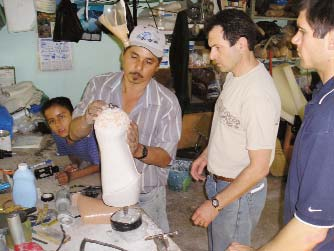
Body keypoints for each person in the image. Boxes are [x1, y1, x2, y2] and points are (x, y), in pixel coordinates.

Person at [227, 0, 334, 250]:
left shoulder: (329, 117)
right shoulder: (324, 95)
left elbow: (310, 232)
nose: (294, 40)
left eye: (303, 32)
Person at [69, 25, 182, 233]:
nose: (138, 67)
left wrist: (138, 149)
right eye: (134, 56)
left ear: (157, 66)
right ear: (123, 55)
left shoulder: (167, 103)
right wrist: (87, 118)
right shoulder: (99, 85)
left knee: (154, 243)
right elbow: (73, 133)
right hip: (108, 186)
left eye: (148, 62)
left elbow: (166, 159)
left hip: (147, 194)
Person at [190, 9, 281, 250]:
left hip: (239, 195)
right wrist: (207, 155)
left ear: (241, 44)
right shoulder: (234, 74)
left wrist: (215, 204)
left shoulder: (258, 95)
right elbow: (226, 122)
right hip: (221, 182)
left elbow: (260, 167)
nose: (211, 56)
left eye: (217, 47)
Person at [41, 97, 100, 185]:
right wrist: (76, 163)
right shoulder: (57, 134)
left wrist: (72, 176)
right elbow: (71, 153)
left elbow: (100, 165)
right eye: (51, 121)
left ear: (73, 115)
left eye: (61, 117)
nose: (57, 124)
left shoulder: (89, 134)